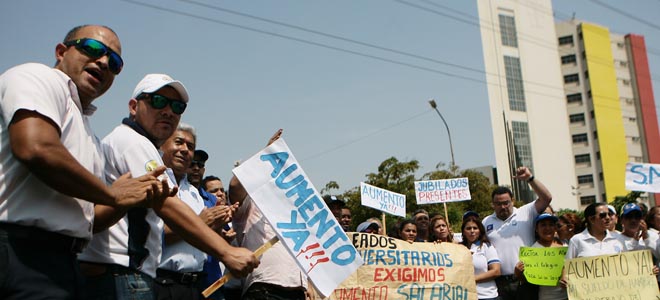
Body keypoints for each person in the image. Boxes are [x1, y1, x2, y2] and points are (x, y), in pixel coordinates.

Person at [0, 24, 170, 299]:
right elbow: (35, 147)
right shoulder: (37, 77)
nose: (103, 61)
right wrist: (110, 194)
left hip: (63, 262)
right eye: (92, 48)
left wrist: (129, 200)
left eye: (114, 62)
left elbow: (92, 219)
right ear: (61, 51)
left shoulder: (90, 136)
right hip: (17, 250)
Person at [78, 74, 259, 299]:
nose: (168, 111)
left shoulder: (135, 144)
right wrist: (226, 252)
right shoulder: (133, 142)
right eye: (158, 101)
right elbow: (167, 205)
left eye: (177, 106)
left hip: (128, 273)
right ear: (134, 106)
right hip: (123, 273)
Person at [229, 129, 307, 300]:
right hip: (265, 288)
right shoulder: (250, 203)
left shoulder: (296, 207)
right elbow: (235, 186)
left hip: (297, 290)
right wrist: (265, 155)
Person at [155, 124, 210, 300]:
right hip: (163, 283)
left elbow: (200, 237)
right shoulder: (155, 182)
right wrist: (199, 223)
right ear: (162, 144)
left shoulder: (195, 194)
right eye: (179, 142)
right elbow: (156, 234)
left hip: (195, 286)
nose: (185, 150)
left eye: (191, 146)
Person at [481, 166, 552, 300]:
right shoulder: (486, 222)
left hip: (526, 279)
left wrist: (530, 179)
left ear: (512, 201)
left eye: (506, 203)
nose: (503, 207)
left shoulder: (526, 212)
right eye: (498, 204)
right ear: (492, 204)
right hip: (500, 283)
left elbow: (547, 198)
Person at [188, 150, 234, 300]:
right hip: (182, 280)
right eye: (192, 163)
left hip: (212, 281)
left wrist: (224, 237)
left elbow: (217, 236)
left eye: (200, 165)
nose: (196, 168)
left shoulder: (212, 201)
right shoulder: (174, 193)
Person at [515, 213, 567, 300]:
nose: (547, 228)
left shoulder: (565, 247)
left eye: (551, 225)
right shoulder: (531, 252)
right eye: (543, 225)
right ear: (536, 229)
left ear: (555, 228)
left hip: (568, 296)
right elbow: (527, 280)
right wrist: (518, 273)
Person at [461, 215, 501, 300]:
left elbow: (496, 271)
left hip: (487, 296)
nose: (472, 231)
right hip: (465, 295)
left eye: (475, 228)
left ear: (480, 231)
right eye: (468, 228)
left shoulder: (487, 246)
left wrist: (472, 279)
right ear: (463, 231)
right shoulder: (458, 248)